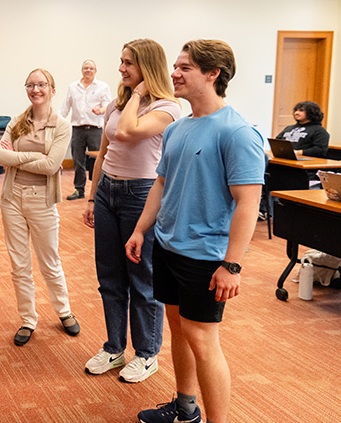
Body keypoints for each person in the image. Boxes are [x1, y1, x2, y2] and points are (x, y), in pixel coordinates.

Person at [127, 40, 264, 423]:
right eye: (176, 66)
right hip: (170, 248)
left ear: (213, 73)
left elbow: (248, 204)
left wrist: (232, 266)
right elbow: (161, 184)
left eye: (184, 67)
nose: (174, 73)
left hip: (206, 257)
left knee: (203, 341)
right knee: (179, 330)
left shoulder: (237, 132)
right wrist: (141, 230)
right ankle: (185, 407)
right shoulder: (178, 128)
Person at [81, 39, 182, 383]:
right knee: (109, 276)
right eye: (121, 61)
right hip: (109, 190)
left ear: (147, 69)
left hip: (141, 194)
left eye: (129, 64)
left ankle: (147, 353)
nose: (121, 68)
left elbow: (128, 131)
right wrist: (92, 196)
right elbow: (105, 151)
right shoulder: (116, 104)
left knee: (142, 278)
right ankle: (113, 348)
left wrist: (138, 94)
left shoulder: (168, 107)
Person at [0, 68, 79, 347]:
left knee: (49, 261)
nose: (36, 90)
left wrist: (15, 157)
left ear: (52, 90)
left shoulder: (62, 125)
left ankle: (63, 311)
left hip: (42, 200)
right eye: (30, 85)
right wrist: (33, 155)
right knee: (19, 264)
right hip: (12, 198)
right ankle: (28, 319)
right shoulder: (17, 122)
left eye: (42, 85)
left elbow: (51, 166)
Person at [59, 60, 112, 200]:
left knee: (97, 160)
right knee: (78, 161)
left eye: (91, 68)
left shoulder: (103, 87)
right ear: (81, 70)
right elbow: (65, 107)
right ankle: (79, 190)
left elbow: (108, 106)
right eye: (85, 68)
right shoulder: (73, 87)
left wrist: (100, 110)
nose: (88, 70)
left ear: (95, 70)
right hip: (77, 130)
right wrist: (56, 122)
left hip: (95, 129)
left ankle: (99, 192)